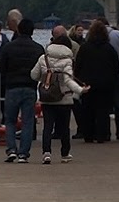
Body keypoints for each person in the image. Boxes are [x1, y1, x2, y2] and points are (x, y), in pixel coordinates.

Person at [30, 25, 85, 163]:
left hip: (47, 97)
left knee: (48, 126)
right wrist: (80, 90)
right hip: (64, 97)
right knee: (64, 126)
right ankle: (64, 153)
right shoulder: (68, 61)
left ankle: (46, 152)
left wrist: (45, 78)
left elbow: (33, 75)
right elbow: (69, 79)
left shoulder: (44, 58)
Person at [0, 17, 43, 163]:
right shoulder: (38, 48)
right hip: (29, 87)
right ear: (32, 31)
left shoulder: (9, 47)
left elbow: (1, 67)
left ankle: (11, 150)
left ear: (19, 30)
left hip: (12, 87)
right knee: (28, 121)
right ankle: (23, 153)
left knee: (10, 120)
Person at [72, 19, 119, 142]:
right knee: (103, 111)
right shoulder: (109, 48)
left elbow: (78, 65)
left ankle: (88, 135)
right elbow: (116, 67)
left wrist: (78, 80)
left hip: (88, 83)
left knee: (88, 110)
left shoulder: (84, 48)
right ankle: (102, 135)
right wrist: (113, 80)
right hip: (105, 84)